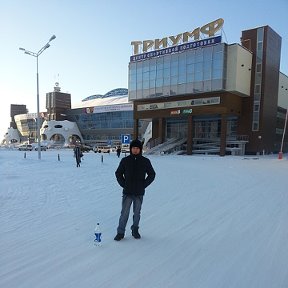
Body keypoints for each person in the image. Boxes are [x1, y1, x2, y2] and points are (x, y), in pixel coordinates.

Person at [114, 139, 156, 241]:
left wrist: (143, 185)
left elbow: (152, 174)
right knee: (124, 213)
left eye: (137, 148)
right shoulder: (125, 161)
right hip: (127, 192)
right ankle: (120, 232)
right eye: (133, 148)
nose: (135, 150)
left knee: (137, 213)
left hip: (139, 193)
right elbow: (118, 173)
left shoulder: (145, 161)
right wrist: (124, 184)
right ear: (131, 149)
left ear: (140, 149)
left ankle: (135, 230)